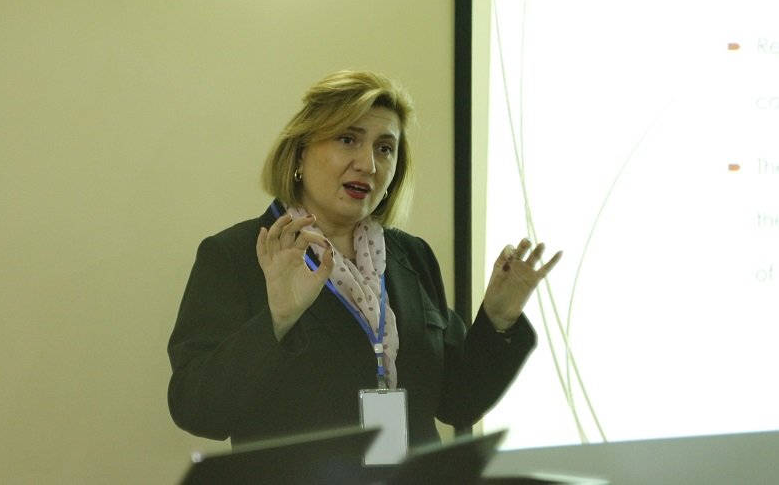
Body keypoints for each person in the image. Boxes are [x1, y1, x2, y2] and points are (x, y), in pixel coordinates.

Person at [167, 70, 561, 449]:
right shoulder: (237, 255)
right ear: (300, 154)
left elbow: (458, 403)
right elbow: (197, 411)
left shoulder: (412, 256)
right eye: (347, 139)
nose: (368, 164)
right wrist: (276, 320)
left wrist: (498, 319)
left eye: (384, 148)